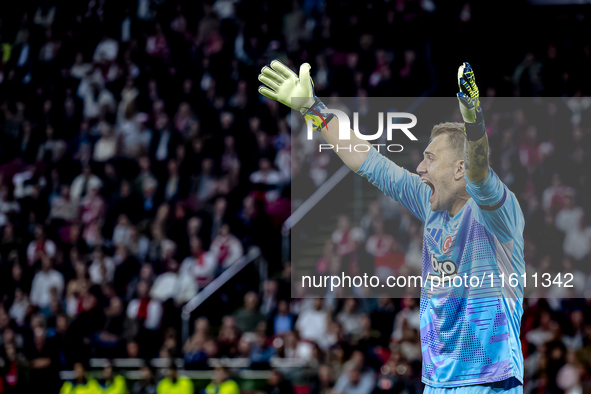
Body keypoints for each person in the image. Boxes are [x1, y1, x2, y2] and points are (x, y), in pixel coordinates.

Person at [258, 61, 525, 392]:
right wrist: (313, 109)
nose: (420, 166)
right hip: (437, 381)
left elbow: (480, 173)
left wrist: (473, 121)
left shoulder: (496, 214)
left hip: (488, 379)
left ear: (459, 169)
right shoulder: (430, 206)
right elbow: (367, 160)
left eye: (430, 158)